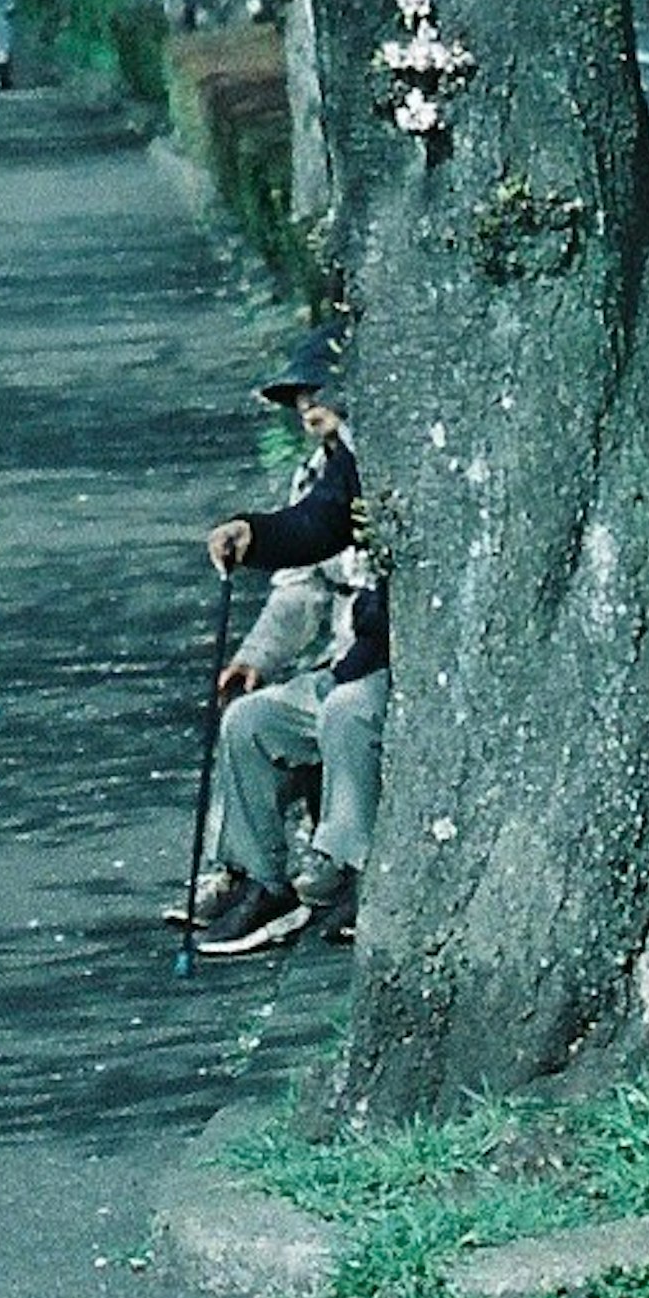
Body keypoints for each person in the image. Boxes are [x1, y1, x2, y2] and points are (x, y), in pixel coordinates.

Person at [187, 330, 385, 955]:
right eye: (296, 398)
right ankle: (260, 883)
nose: (305, 408)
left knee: (346, 710)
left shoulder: (398, 454)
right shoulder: (330, 468)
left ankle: (347, 873)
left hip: (384, 656)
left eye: (316, 391)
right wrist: (254, 535)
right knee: (249, 719)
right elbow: (309, 539)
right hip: (353, 654)